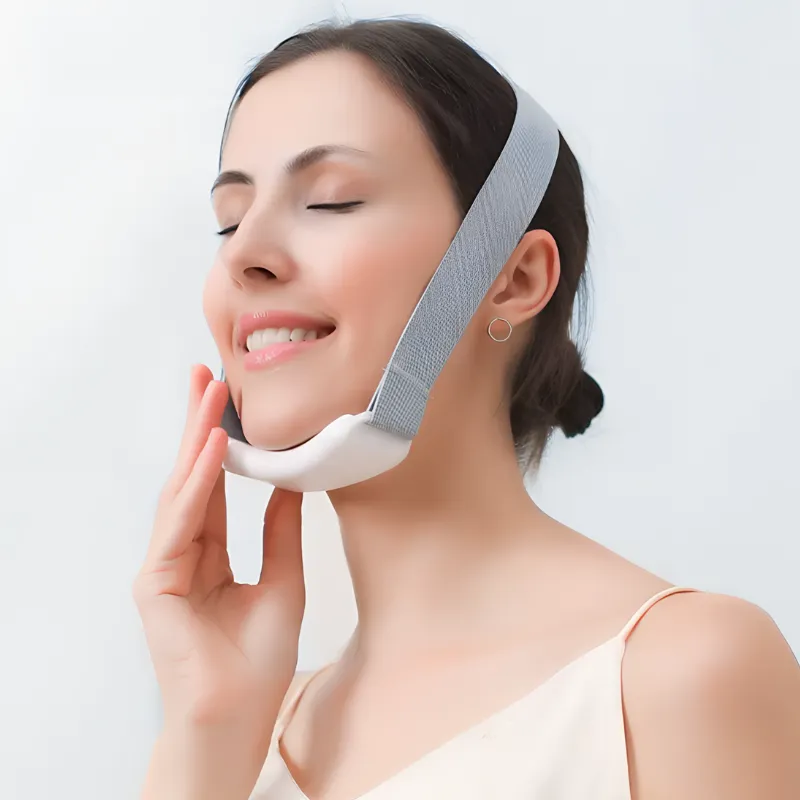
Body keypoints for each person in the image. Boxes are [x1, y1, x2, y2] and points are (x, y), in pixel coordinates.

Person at [134, 17, 800, 800]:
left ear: (514, 278)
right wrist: (203, 738)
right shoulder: (239, 724)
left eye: (333, 201)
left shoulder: (681, 675)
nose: (243, 252)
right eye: (230, 217)